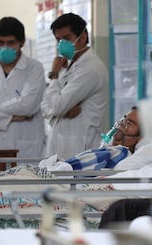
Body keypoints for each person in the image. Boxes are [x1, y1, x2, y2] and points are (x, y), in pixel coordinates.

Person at [0, 16, 46, 158]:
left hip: (28, 148)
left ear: (22, 42)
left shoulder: (34, 68)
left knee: (28, 177)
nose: (5, 47)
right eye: (0, 42)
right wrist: (11, 118)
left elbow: (27, 106)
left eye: (11, 43)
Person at [41, 12, 109, 160]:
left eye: (66, 38)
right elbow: (45, 106)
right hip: (60, 145)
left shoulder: (91, 68)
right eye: (58, 39)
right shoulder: (67, 66)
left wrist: (53, 75)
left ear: (83, 36)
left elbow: (57, 105)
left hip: (81, 148)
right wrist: (61, 112)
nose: (62, 44)